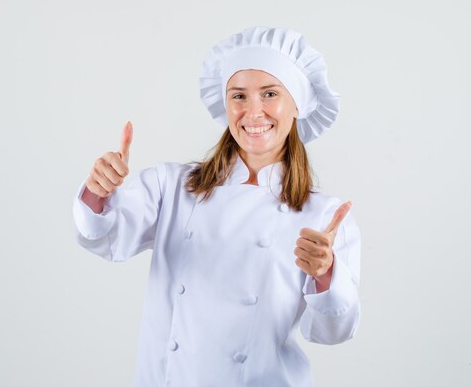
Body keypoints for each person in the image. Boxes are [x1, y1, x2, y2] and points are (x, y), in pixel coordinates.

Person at [71, 26, 361, 387]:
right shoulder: (172, 187)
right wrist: (99, 192)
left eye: (270, 94)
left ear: (297, 104)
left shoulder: (324, 217)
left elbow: (333, 331)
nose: (253, 112)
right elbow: (106, 237)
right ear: (225, 106)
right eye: (239, 96)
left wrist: (325, 273)